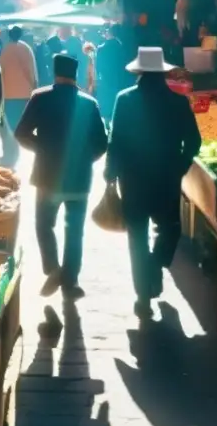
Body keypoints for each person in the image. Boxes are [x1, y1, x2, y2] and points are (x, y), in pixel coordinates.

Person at [105, 47, 201, 318]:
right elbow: (194, 142)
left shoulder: (124, 100)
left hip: (132, 179)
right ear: (162, 72)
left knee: (136, 236)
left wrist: (110, 173)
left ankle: (143, 296)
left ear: (139, 72)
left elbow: (116, 140)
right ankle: (155, 265)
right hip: (166, 178)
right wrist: (179, 168)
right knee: (169, 228)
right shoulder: (178, 102)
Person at [15, 53, 108, 298]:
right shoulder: (89, 103)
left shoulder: (40, 97)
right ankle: (70, 281)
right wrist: (85, 159)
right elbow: (101, 143)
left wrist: (42, 149)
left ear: (55, 73)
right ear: (75, 74)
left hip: (47, 175)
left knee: (44, 225)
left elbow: (21, 133)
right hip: (79, 178)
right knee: (74, 230)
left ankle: (52, 268)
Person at [0, 25, 38, 167]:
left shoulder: (5, 49)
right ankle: (19, 147)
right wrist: (34, 85)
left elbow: (1, 71)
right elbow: (29, 70)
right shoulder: (25, 48)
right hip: (23, 92)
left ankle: (12, 150)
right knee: (22, 122)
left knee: (11, 123)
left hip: (9, 93)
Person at [95, 24, 126, 120]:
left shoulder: (101, 48)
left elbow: (98, 67)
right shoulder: (123, 48)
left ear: (110, 33)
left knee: (106, 111)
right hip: (120, 82)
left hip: (105, 82)